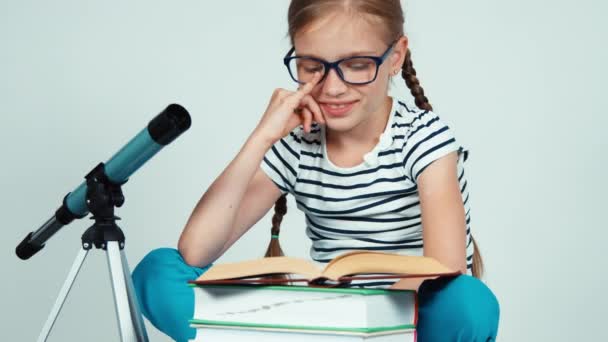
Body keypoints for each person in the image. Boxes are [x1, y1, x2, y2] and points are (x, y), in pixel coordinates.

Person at [132, 0, 500, 341]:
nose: (333, 87)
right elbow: (195, 251)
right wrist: (261, 138)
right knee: (159, 272)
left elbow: (444, 264)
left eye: (357, 65)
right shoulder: (297, 146)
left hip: (407, 318)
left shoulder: (424, 138)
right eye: (312, 67)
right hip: (327, 318)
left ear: (396, 57)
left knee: (468, 301)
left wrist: (366, 318)